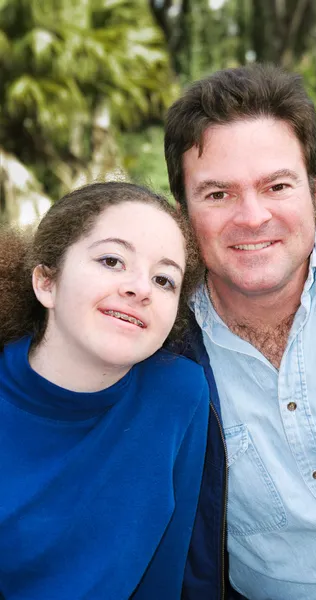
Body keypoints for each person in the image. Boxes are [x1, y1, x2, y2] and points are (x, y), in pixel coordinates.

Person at [164, 64, 316, 600]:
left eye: (277, 185)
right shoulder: (154, 336)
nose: (252, 217)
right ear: (182, 213)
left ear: (315, 193)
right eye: (218, 194)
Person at [0, 181, 209, 599]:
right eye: (112, 260)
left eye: (165, 280)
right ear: (46, 283)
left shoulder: (180, 393)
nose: (140, 288)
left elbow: (165, 575)